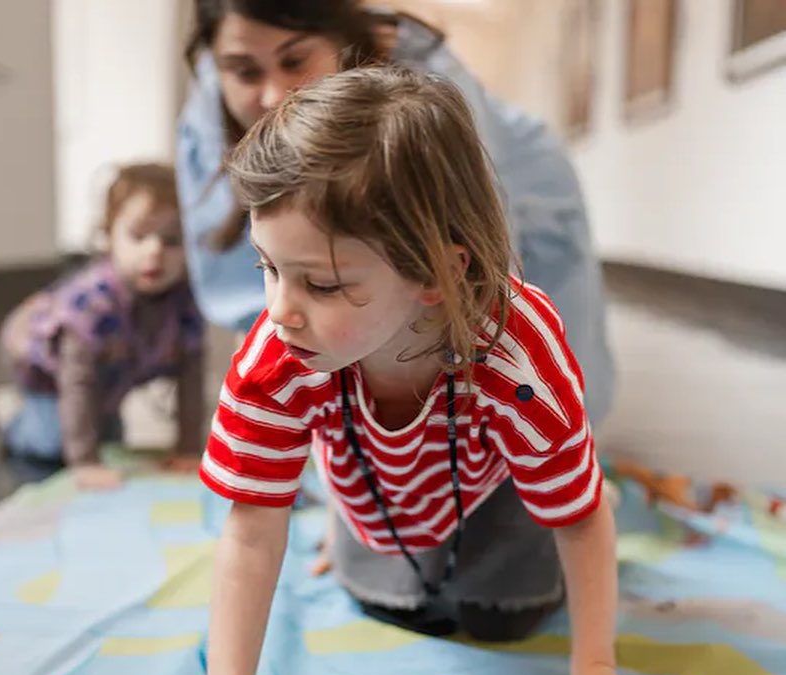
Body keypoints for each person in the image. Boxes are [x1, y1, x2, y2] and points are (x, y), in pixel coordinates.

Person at [148, 67, 674, 675]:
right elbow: (251, 530)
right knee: (397, 608)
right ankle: (365, 533)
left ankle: (570, 468)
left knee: (505, 620)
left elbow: (580, 520)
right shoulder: (279, 352)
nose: (280, 310)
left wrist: (592, 665)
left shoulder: (516, 355)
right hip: (377, 495)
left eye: (322, 284)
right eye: (269, 269)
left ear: (438, 273)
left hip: (500, 494)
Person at [176, 0, 614, 424]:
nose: (272, 95)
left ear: (339, 39)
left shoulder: (427, 94)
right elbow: (248, 293)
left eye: (295, 61)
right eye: (245, 72)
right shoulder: (208, 110)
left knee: (540, 406)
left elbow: (478, 294)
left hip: (526, 196)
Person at [0, 163, 205, 490]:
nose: (155, 251)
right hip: (50, 370)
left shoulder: (186, 303)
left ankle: (85, 429)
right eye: (138, 236)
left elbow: (191, 376)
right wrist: (85, 463)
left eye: (172, 240)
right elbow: (77, 383)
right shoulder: (90, 308)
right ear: (109, 237)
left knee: (110, 437)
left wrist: (189, 448)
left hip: (111, 372)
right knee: (52, 442)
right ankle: (18, 424)